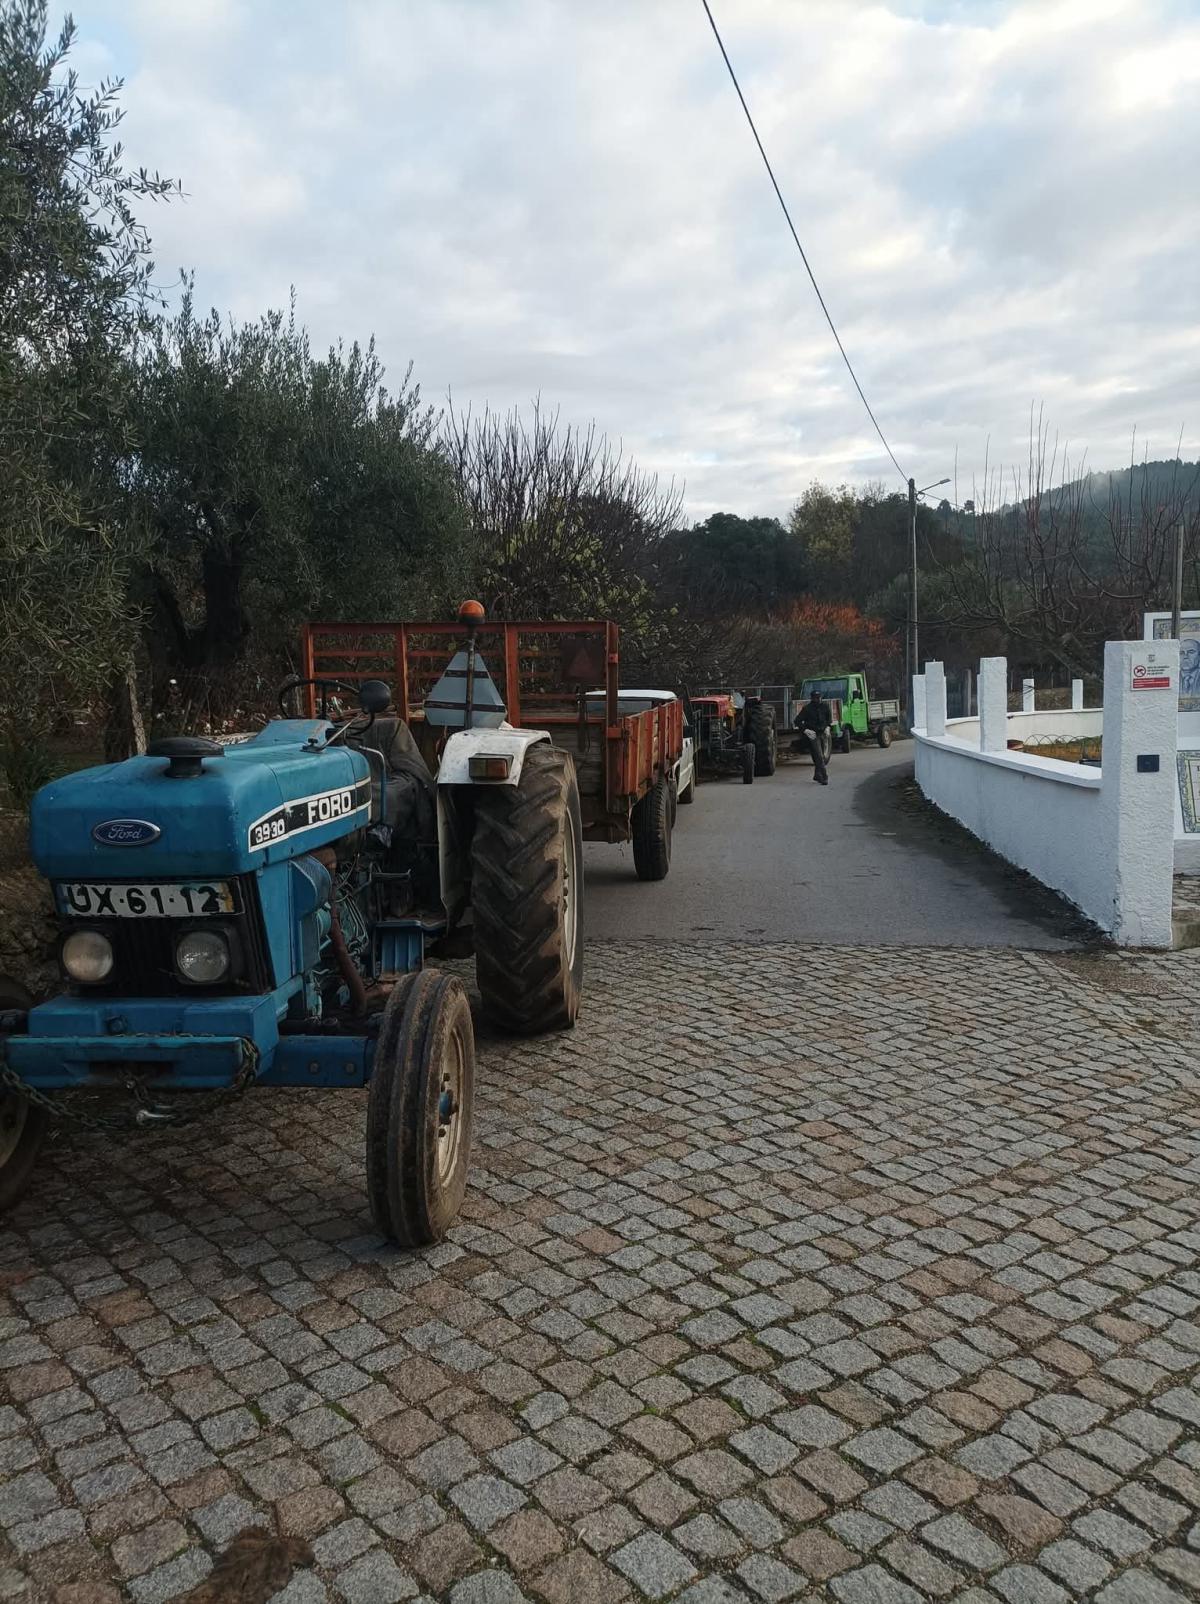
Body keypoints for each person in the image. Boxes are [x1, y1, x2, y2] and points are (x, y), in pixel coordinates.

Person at [797, 689, 830, 784]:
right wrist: (805, 730)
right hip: (813, 734)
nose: (817, 699)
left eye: (818, 697)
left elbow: (829, 718)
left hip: (823, 733)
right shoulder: (807, 708)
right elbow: (797, 721)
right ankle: (824, 777)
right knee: (819, 756)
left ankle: (817, 775)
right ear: (812, 698)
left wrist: (828, 726)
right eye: (815, 698)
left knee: (821, 756)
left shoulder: (825, 706)